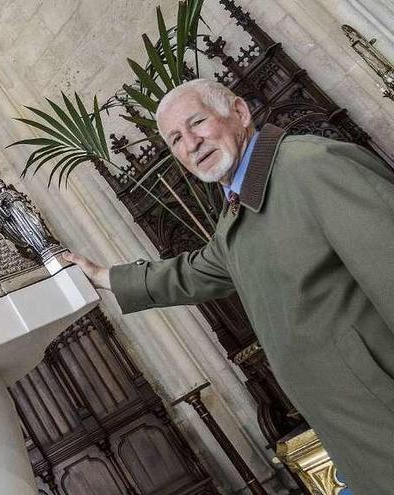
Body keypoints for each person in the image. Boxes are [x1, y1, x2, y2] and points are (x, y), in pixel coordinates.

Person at [64, 79, 394, 494]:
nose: (191, 144)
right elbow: (194, 272)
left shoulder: (311, 165)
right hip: (355, 432)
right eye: (176, 139)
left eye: (197, 122)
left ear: (239, 113)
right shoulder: (238, 212)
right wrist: (102, 275)